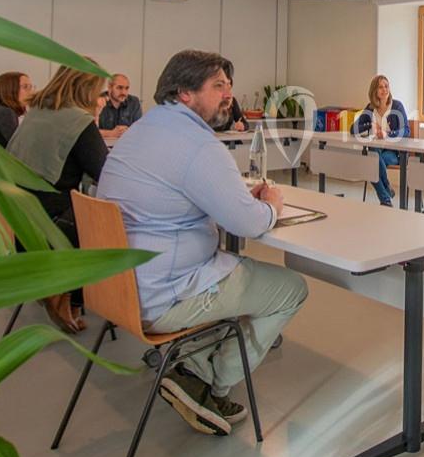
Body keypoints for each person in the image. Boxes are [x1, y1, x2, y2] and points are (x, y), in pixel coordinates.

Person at [97, 50, 308, 436]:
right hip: (164, 295)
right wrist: (272, 206)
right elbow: (246, 223)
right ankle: (207, 382)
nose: (228, 95)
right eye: (218, 86)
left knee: (226, 262)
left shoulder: (141, 132)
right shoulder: (198, 144)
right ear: (184, 94)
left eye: (228, 86)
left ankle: (191, 367)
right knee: (291, 288)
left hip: (117, 286)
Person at [7, 63, 109, 332]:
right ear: (88, 89)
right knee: (104, 217)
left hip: (21, 215)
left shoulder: (38, 111)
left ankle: (57, 291)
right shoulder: (77, 120)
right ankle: (69, 297)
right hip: (54, 221)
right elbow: (105, 171)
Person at [351, 74, 410, 207]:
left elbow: (406, 130)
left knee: (372, 163)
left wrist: (388, 133)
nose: (384, 90)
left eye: (386, 86)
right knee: (373, 157)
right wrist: (369, 126)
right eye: (380, 87)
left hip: (394, 152)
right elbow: (352, 129)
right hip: (376, 149)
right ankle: (386, 195)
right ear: (374, 91)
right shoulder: (370, 108)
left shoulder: (397, 106)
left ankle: (385, 198)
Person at [0, 71, 34, 148]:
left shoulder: (1, 111)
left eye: (31, 87)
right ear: (9, 89)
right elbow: (21, 149)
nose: (31, 92)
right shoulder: (5, 113)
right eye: (25, 87)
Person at [98, 73, 143, 138]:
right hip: (103, 144)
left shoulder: (134, 102)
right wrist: (110, 133)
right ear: (110, 87)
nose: (124, 92)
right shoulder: (98, 101)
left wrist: (128, 131)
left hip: (126, 144)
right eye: (119, 88)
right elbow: (90, 131)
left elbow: (140, 129)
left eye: (127, 88)